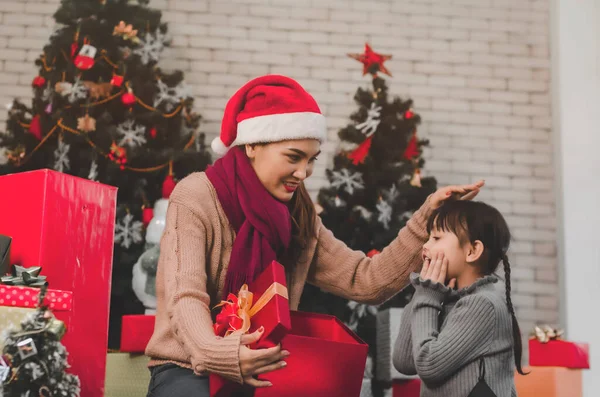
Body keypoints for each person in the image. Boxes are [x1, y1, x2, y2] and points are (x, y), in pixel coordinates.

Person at [144, 74, 484, 397]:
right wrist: (222, 354)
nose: (303, 173)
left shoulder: (298, 215)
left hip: (264, 368)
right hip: (188, 366)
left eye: (311, 160)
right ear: (252, 146)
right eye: (293, 157)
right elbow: (184, 297)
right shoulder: (195, 197)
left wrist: (427, 218)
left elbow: (365, 280)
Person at [393, 200, 526, 397]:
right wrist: (423, 292)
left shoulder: (482, 304)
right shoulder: (446, 299)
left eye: (436, 238)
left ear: (472, 251)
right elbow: (404, 361)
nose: (426, 246)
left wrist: (427, 294)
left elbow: (428, 365)